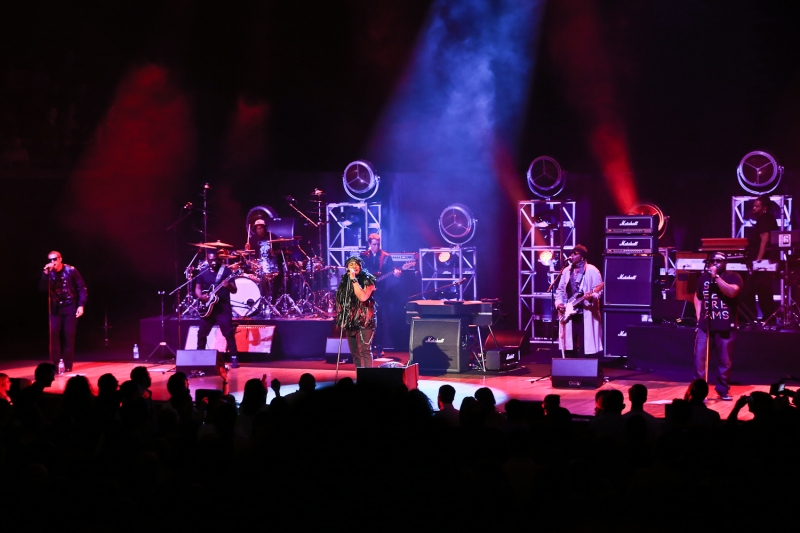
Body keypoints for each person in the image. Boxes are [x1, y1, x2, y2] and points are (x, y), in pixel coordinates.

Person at [694, 252, 742, 401]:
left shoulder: (733, 277)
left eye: (719, 261)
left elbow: (732, 292)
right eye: (712, 261)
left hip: (725, 325)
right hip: (705, 324)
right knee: (700, 359)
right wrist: (698, 315)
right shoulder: (703, 278)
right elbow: (697, 296)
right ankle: (699, 391)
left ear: (725, 262)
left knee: (725, 360)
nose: (715, 263)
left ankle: (722, 390)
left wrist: (716, 277)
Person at [39, 251, 87, 371]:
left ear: (60, 259)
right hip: (56, 308)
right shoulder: (49, 273)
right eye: (50, 260)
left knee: (69, 335)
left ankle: (68, 364)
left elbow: (82, 287)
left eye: (55, 259)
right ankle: (54, 365)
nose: (52, 262)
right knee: (53, 334)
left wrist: (81, 305)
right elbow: (42, 288)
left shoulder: (71, 270)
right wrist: (45, 274)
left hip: (70, 306)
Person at [555, 244, 603, 357]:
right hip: (569, 314)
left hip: (585, 313)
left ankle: (589, 371)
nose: (571, 255)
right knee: (569, 346)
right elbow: (560, 290)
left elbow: (599, 291)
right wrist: (559, 304)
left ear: (582, 256)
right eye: (571, 253)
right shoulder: (566, 270)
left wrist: (591, 296)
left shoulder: (592, 270)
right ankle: (571, 370)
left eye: (575, 253)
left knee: (585, 347)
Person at [194, 250, 239, 360]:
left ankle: (234, 357)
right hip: (208, 308)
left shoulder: (226, 272)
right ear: (207, 260)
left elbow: (234, 290)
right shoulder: (203, 272)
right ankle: (200, 357)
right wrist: (201, 297)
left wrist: (228, 286)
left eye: (214, 260)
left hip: (223, 307)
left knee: (228, 333)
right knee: (202, 333)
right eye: (210, 260)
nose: (213, 262)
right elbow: (198, 288)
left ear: (218, 259)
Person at [360, 233, 401, 354]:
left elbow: (393, 270)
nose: (376, 246)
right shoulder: (363, 256)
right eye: (374, 244)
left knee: (379, 320)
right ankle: (367, 346)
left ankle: (379, 347)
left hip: (381, 293)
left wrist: (397, 274)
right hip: (367, 291)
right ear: (369, 244)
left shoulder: (386, 256)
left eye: (378, 244)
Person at [335, 255, 376, 368]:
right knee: (355, 353)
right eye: (351, 264)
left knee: (365, 350)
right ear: (347, 267)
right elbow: (341, 301)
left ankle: (367, 379)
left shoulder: (368, 280)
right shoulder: (344, 282)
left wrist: (354, 279)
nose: (354, 266)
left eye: (357, 264)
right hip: (350, 320)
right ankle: (360, 379)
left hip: (365, 320)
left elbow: (362, 297)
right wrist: (342, 316)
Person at [743, 194, 778, 321]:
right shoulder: (764, 219)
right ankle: (760, 318)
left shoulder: (765, 219)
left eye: (757, 206)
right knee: (759, 290)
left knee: (762, 290)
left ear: (764, 208)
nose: (753, 208)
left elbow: (765, 240)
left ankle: (767, 318)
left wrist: (758, 260)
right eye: (753, 206)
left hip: (763, 261)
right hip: (761, 260)